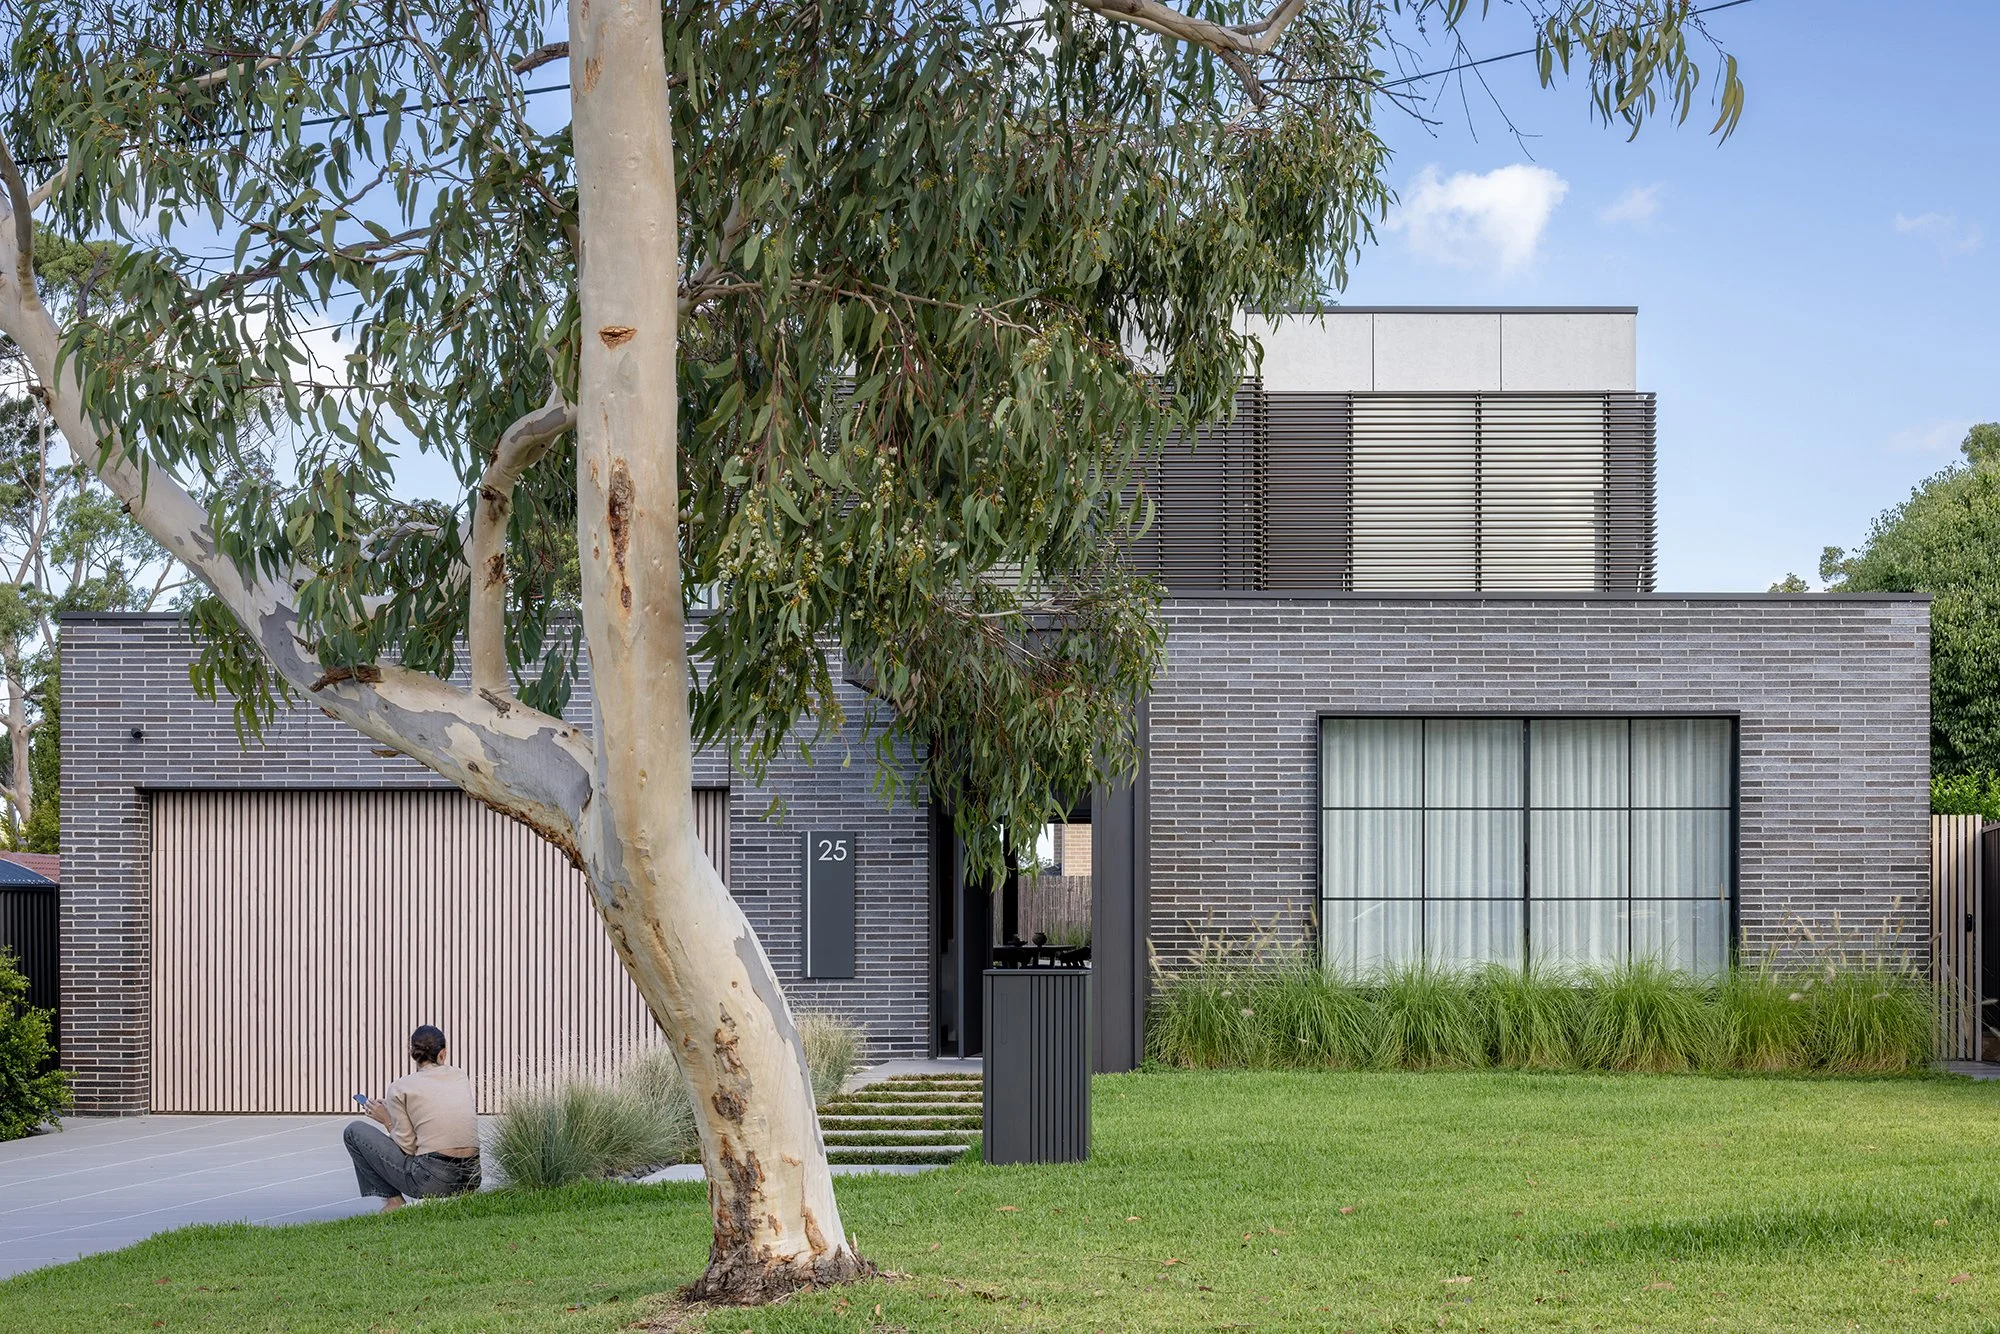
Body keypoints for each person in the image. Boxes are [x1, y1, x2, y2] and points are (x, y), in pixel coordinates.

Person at [344, 1024, 482, 1211]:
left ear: (412, 1054)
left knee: (354, 1131)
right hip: (471, 1178)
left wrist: (386, 1119)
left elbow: (407, 1147)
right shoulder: (459, 1076)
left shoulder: (401, 1087)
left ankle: (393, 1202)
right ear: (443, 1054)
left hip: (433, 1182)